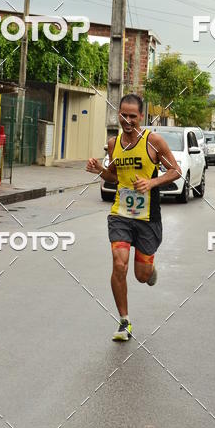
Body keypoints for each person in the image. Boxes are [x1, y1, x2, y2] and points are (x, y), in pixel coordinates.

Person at [86, 94, 180, 341]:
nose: (127, 121)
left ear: (141, 116)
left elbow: (175, 171)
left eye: (132, 116)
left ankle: (150, 270)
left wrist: (152, 182)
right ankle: (124, 322)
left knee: (141, 275)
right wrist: (100, 170)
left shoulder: (153, 142)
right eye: (123, 115)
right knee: (119, 264)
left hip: (148, 216)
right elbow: (114, 177)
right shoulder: (113, 143)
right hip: (121, 214)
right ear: (118, 114)